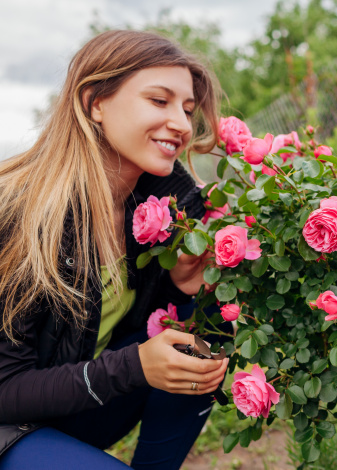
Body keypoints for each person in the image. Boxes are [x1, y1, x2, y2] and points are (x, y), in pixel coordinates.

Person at [0, 30, 229, 469]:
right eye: (159, 101)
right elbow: (5, 386)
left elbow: (126, 332)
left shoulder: (158, 206)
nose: (182, 124)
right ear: (94, 103)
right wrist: (136, 366)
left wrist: (180, 292)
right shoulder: (22, 212)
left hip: (74, 406)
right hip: (8, 424)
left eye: (186, 109)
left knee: (207, 318)